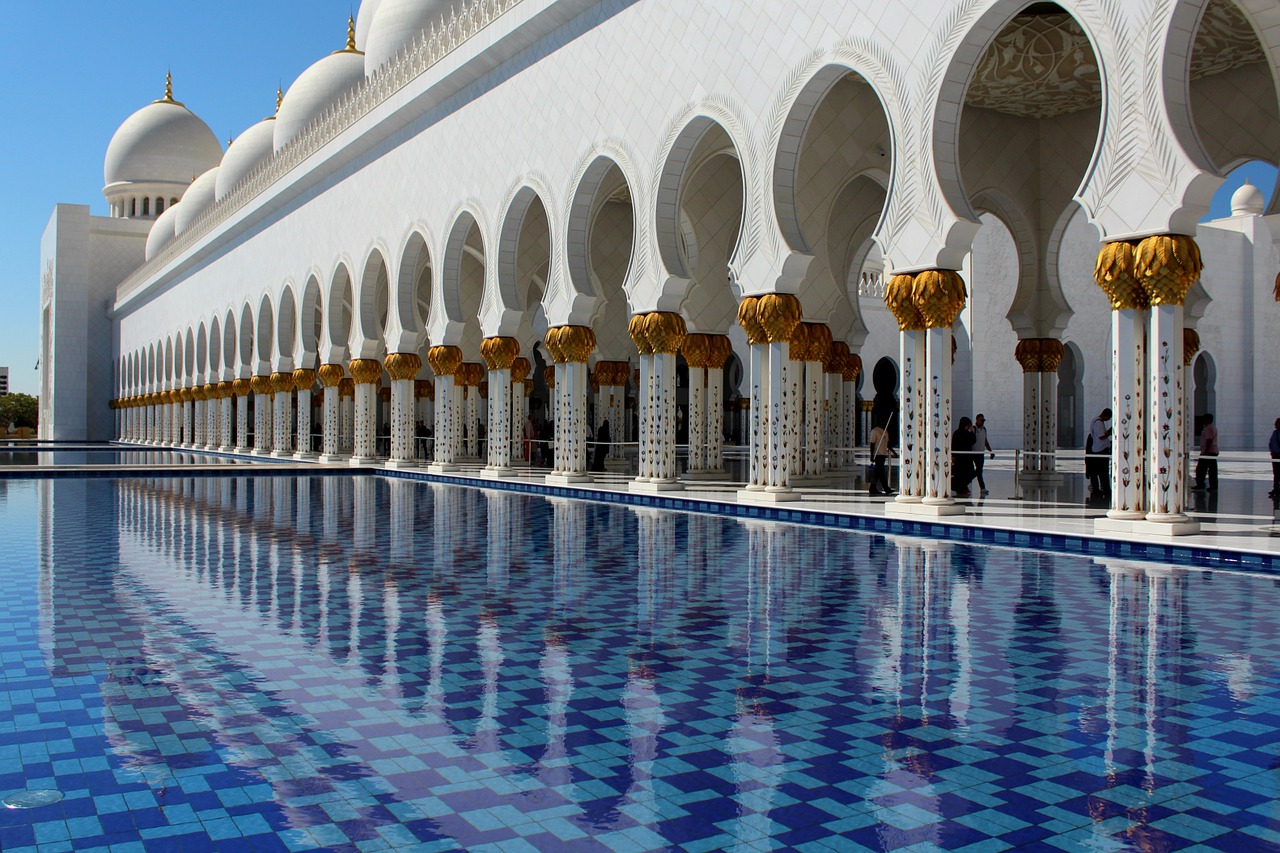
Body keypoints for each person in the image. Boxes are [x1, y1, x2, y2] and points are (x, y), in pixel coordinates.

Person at [1088, 408, 1113, 496]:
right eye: (1109, 417)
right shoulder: (1098, 423)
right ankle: (1104, 489)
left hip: (1098, 449)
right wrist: (1109, 432)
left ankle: (1101, 488)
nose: (1109, 420)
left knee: (1099, 471)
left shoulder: (1095, 421)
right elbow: (1101, 436)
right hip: (1100, 450)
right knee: (1103, 472)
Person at [1192, 413, 1219, 491]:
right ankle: (1212, 485)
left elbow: (1209, 440)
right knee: (1212, 470)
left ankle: (1201, 484)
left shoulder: (1208, 429)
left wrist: (1205, 452)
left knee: (1201, 469)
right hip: (1211, 451)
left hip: (1208, 452)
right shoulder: (1211, 428)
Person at [868, 413, 893, 496]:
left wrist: (893, 452)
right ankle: (886, 489)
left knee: (877, 473)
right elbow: (872, 443)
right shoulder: (875, 431)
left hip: (883, 454)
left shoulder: (885, 431)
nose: (884, 423)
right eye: (883, 421)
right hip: (877, 454)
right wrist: (872, 455)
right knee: (881, 472)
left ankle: (872, 488)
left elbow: (887, 444)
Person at [952, 416, 977, 497]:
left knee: (961, 474)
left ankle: (962, 487)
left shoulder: (956, 433)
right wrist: (972, 431)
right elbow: (973, 440)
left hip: (960, 458)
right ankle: (961, 487)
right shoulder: (966, 433)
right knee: (967, 473)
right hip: (965, 459)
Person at [973, 413, 994, 496]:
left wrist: (990, 451)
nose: (983, 422)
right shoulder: (973, 429)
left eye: (983, 420)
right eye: (981, 420)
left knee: (979, 470)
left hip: (981, 453)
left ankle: (982, 487)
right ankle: (982, 487)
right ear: (977, 420)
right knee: (978, 470)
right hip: (974, 453)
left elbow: (985, 441)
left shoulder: (984, 429)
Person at [1269, 417, 1280, 499]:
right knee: (1276, 474)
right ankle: (1276, 489)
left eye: (1277, 423)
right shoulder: (1275, 433)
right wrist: (1272, 451)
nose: (1275, 424)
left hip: (1278, 455)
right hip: (1275, 456)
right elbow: (1271, 443)